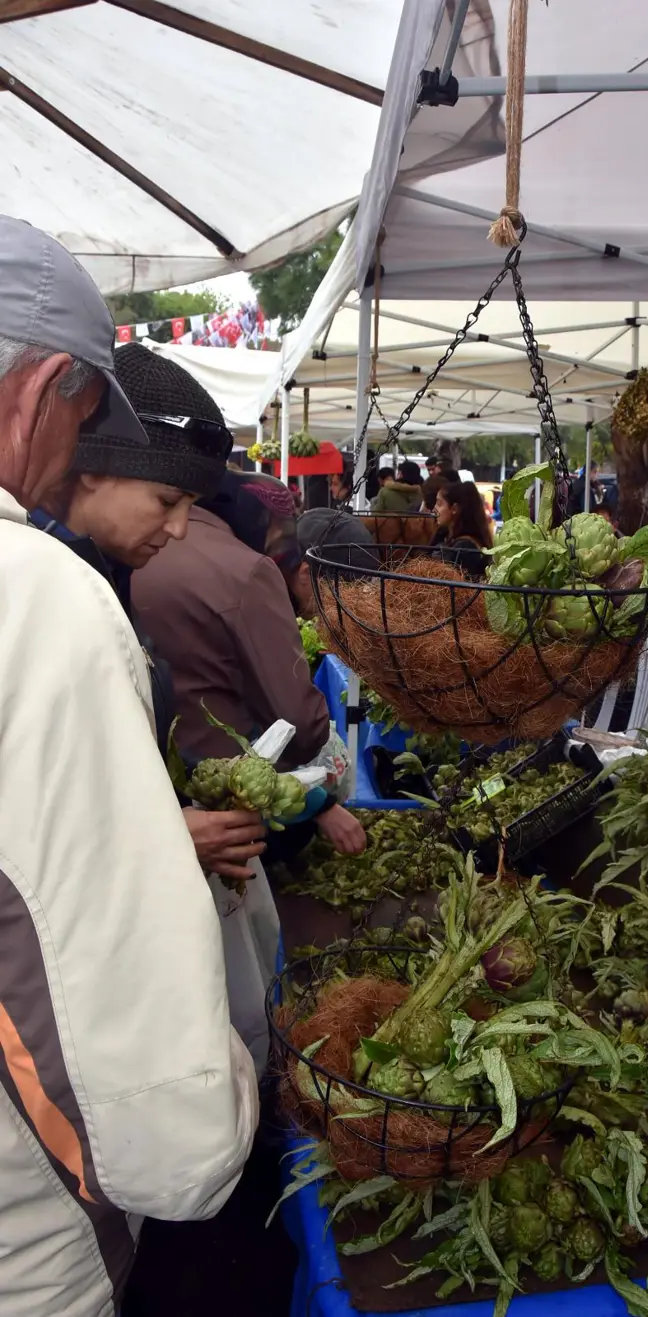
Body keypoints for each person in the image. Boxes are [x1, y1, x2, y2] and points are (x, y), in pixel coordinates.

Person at [0, 216, 256, 1315]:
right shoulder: (34, 592)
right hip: (27, 1222)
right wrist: (210, 1130)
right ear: (41, 391)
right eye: (86, 419)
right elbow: (88, 964)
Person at [33, 344, 267, 888]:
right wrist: (159, 835)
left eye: (192, 507)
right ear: (95, 470)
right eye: (167, 501)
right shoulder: (36, 587)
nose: (180, 529)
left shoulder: (105, 573)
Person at [132, 468, 330, 768]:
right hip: (219, 772)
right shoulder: (248, 570)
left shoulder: (139, 541)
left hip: (140, 757)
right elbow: (299, 724)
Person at [431, 480, 493, 578]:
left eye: (439, 504)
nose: (434, 509)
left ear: (454, 509)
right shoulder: (445, 536)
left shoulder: (465, 547)